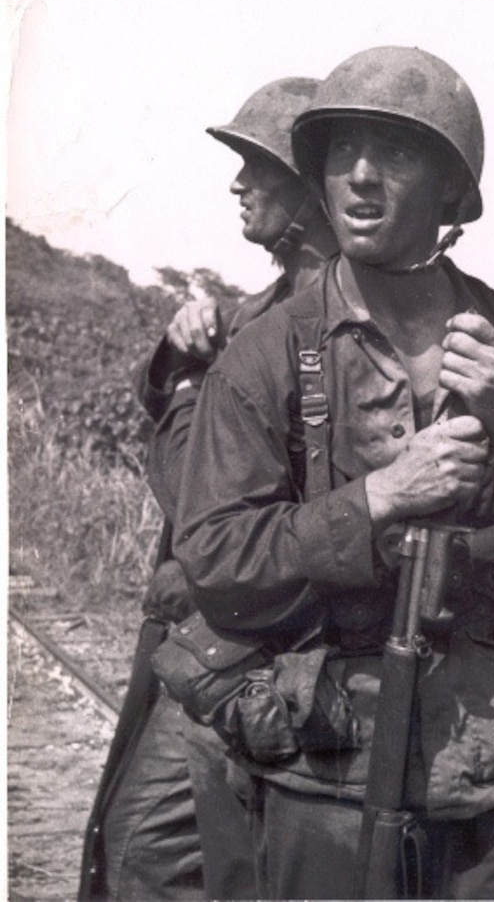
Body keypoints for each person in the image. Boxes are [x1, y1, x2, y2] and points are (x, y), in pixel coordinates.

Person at [172, 45, 494, 899]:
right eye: (342, 153)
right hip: (323, 778)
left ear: (452, 190)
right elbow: (218, 564)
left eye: (397, 153)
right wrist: (381, 497)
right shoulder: (266, 353)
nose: (361, 178)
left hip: (492, 786)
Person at [81, 76, 337, 901]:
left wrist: (189, 387)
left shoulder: (332, 317)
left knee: (161, 859)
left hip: (270, 656)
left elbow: (205, 499)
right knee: (145, 853)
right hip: (215, 643)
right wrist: (178, 358)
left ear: (308, 184)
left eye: (256, 166)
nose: (238, 184)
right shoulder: (258, 311)